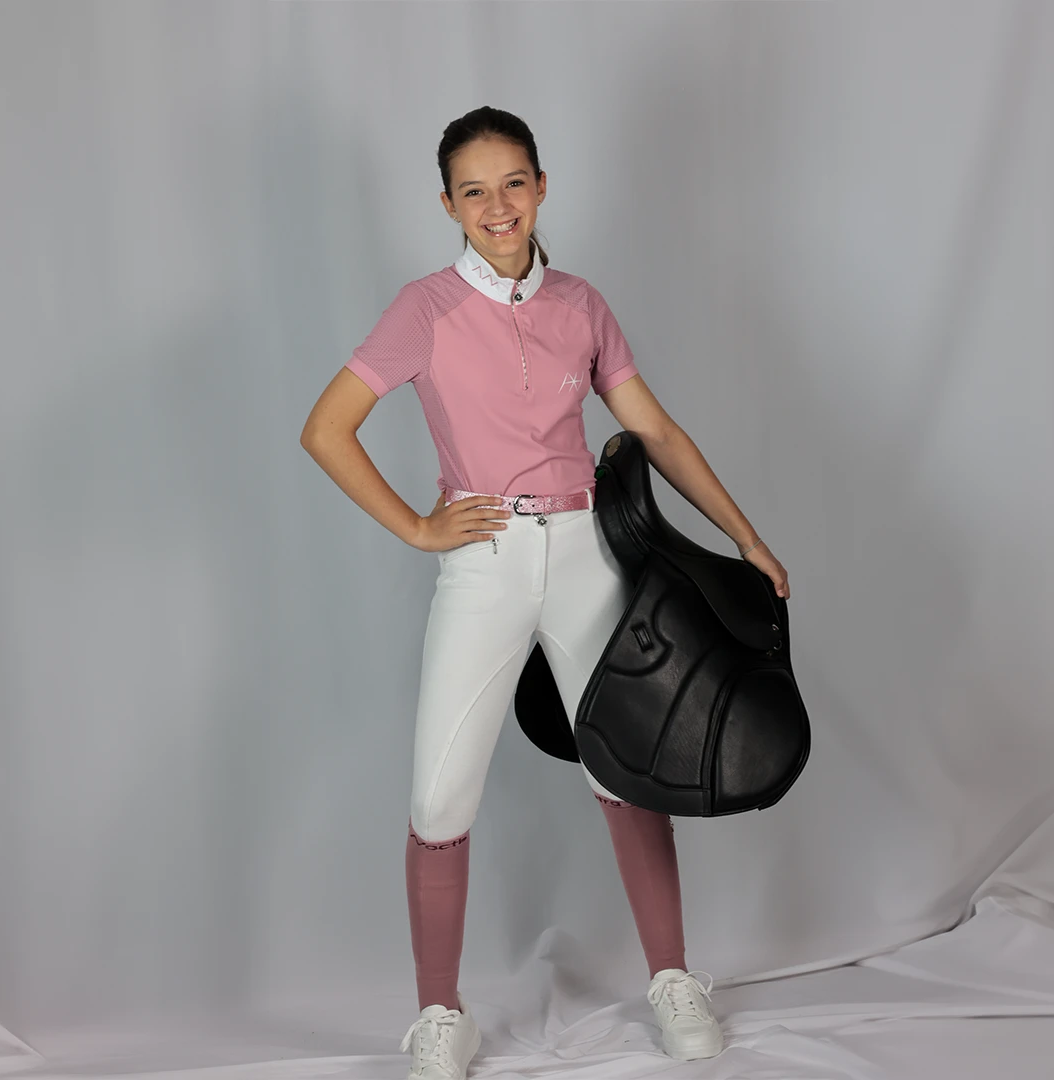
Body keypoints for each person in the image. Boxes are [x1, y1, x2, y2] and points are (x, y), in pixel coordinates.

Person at [301, 106, 790, 1080]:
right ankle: (440, 1015)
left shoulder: (581, 304)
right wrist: (417, 528)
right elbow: (327, 428)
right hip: (484, 563)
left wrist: (745, 538)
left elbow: (656, 432)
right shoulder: (425, 308)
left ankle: (673, 980)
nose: (498, 206)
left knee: (628, 771)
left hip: (585, 558)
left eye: (513, 183)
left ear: (541, 187)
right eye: (474, 191)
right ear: (448, 204)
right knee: (439, 797)